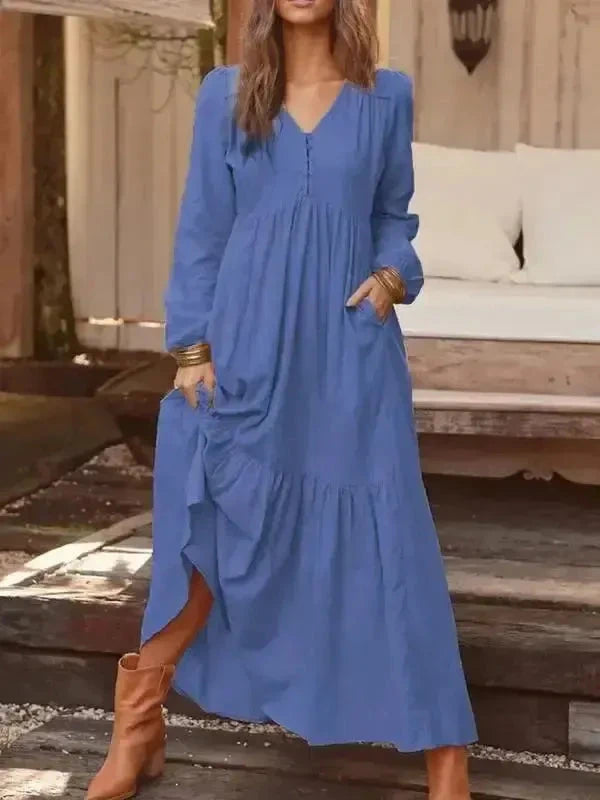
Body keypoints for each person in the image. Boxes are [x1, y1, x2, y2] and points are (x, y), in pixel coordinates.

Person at [86, 0, 477, 798]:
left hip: (348, 352)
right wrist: (191, 348)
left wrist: (393, 275)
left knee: (392, 543)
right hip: (245, 352)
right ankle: (138, 721)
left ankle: (448, 762)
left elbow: (392, 215)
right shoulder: (227, 95)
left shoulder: (385, 96)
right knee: (215, 525)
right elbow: (203, 230)